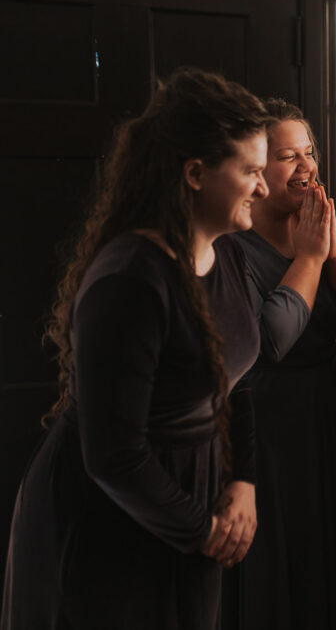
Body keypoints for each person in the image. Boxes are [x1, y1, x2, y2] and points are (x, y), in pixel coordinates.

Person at [1, 67, 268, 630]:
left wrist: (242, 481)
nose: (263, 189)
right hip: (111, 513)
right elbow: (113, 455)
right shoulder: (130, 280)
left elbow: (236, 381)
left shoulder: (230, 254)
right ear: (195, 173)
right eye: (251, 171)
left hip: (193, 498)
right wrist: (202, 528)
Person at [221, 100, 336, 629]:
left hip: (325, 412)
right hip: (267, 418)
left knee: (327, 552)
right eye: (288, 156)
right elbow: (272, 341)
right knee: (278, 557)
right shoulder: (233, 247)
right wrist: (308, 257)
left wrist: (333, 251)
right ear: (257, 169)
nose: (306, 166)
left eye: (310, 153)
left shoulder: (325, 224)